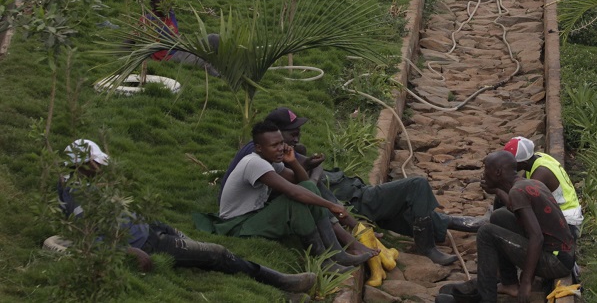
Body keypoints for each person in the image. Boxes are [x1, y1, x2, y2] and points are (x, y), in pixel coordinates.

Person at [219, 107, 482, 266]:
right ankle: (427, 245)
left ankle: (462, 225)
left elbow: (304, 181)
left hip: (349, 197)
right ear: (266, 140)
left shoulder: (276, 156)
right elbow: (303, 188)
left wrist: (302, 162)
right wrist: (339, 210)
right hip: (353, 200)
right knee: (416, 185)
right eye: (287, 136)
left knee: (408, 209)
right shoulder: (257, 160)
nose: (292, 140)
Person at [58, 139, 316, 294]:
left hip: (146, 228)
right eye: (97, 164)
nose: (102, 168)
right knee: (218, 253)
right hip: (144, 243)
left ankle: (192, 250)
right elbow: (88, 236)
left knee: (190, 244)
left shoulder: (79, 183)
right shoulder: (77, 197)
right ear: (82, 165)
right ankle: (281, 281)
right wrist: (128, 252)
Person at [203, 121, 376, 270]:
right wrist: (331, 205)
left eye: (281, 143)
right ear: (258, 147)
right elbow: (293, 191)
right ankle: (325, 262)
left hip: (253, 217)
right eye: (274, 146)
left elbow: (301, 182)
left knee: (307, 187)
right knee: (294, 202)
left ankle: (337, 254)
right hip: (237, 225)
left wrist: (292, 161)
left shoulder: (269, 160)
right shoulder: (254, 163)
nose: (280, 149)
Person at [474, 150, 576, 303]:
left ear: (497, 172)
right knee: (498, 216)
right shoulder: (529, 183)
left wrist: (527, 281)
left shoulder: (517, 192)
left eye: (486, 168)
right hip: (564, 253)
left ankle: (486, 298)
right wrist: (496, 190)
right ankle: (509, 284)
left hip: (556, 262)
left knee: (486, 233)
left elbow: (537, 237)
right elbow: (514, 207)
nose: (483, 173)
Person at [501, 137, 582, 238]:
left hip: (567, 222)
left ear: (522, 164)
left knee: (519, 217)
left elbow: (519, 203)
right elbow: (517, 185)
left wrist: (497, 190)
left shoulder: (541, 173)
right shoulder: (538, 158)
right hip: (559, 213)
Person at [142, 0, 220, 77]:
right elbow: (132, 37)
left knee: (215, 38)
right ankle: (221, 78)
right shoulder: (148, 20)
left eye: (168, 1)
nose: (166, 5)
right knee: (201, 60)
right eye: (161, 2)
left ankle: (230, 66)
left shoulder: (169, 13)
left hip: (183, 48)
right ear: (152, 5)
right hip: (170, 56)